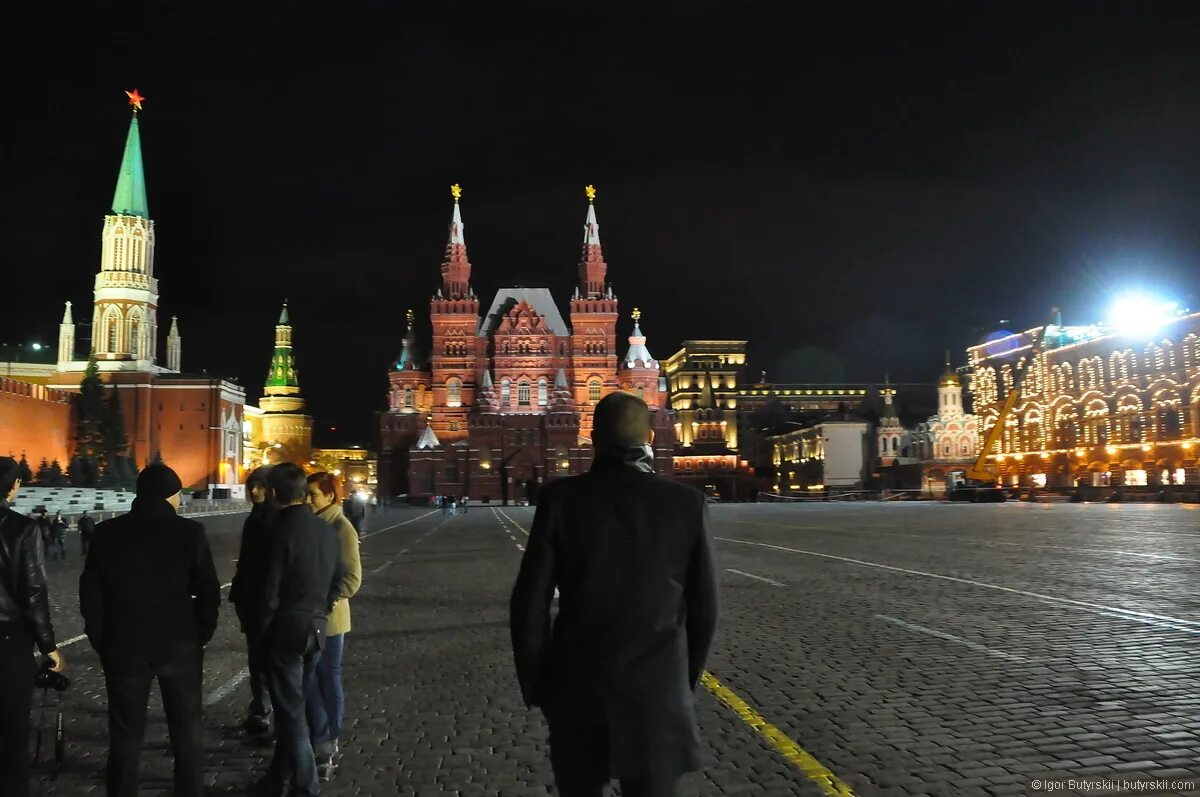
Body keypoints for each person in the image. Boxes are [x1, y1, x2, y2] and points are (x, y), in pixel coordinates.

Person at [510, 392, 720, 797]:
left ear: (591, 440)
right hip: (657, 696)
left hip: (577, 692)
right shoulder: (687, 503)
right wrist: (680, 682)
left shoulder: (560, 499)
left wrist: (538, 684)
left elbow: (528, 605)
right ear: (650, 442)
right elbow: (705, 610)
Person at [80, 464, 220, 797]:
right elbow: (209, 592)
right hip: (179, 645)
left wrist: (102, 640)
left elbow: (91, 594)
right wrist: (200, 634)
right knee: (187, 731)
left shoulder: (107, 532)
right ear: (173, 495)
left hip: (124, 646)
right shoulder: (190, 532)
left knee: (125, 735)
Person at [256, 463, 344, 797]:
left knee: (291, 714)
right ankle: (277, 779)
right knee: (294, 705)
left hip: (286, 632)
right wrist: (321, 612)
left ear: (275, 494)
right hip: (317, 630)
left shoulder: (276, 531)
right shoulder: (326, 529)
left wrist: (264, 632)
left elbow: (269, 592)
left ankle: (306, 786)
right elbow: (337, 580)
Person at [0, 457, 65, 797]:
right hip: (9, 644)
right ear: (15, 487)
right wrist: (48, 645)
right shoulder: (22, 529)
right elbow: (33, 592)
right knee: (12, 735)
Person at [304, 472, 362, 781]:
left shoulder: (342, 529)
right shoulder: (313, 526)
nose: (308, 499)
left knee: (327, 678)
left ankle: (330, 736)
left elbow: (352, 580)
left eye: (313, 494)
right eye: (307, 493)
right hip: (311, 618)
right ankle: (320, 733)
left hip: (330, 619)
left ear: (330, 496)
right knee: (310, 679)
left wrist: (324, 600)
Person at [229, 465, 275, 735]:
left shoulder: (274, 519)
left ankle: (266, 712)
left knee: (267, 662)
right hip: (251, 601)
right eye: (251, 487)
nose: (254, 491)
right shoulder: (254, 518)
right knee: (257, 661)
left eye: (259, 486)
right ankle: (260, 708)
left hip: (266, 603)